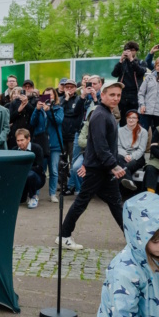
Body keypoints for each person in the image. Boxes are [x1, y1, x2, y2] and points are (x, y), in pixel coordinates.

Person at [59, 81, 127, 250]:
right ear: (102, 95)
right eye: (112, 95)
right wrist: (114, 166)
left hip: (102, 168)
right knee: (82, 201)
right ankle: (64, 236)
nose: (116, 98)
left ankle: (131, 236)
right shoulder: (100, 115)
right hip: (98, 169)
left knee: (115, 203)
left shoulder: (107, 114)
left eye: (118, 95)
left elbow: (94, 145)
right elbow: (99, 145)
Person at [30, 87, 65, 202]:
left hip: (54, 144)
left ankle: (52, 194)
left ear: (55, 96)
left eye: (51, 95)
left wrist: (49, 111)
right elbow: (32, 123)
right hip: (41, 145)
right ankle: (36, 193)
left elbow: (58, 121)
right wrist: (37, 109)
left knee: (54, 170)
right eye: (46, 95)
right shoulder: (39, 109)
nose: (49, 97)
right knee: (41, 169)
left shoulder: (59, 109)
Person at [112, 41, 146, 119]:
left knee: (134, 116)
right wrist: (120, 60)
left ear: (136, 51)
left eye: (132, 50)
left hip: (135, 93)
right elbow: (114, 74)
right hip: (123, 93)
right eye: (127, 50)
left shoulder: (141, 62)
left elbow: (140, 72)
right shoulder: (122, 63)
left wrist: (131, 59)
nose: (129, 52)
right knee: (123, 117)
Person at [117, 109, 149, 190]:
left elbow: (141, 149)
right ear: (126, 118)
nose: (131, 120)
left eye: (134, 118)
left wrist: (131, 157)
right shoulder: (120, 130)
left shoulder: (143, 132)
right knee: (117, 157)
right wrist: (126, 155)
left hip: (137, 157)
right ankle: (130, 182)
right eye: (129, 117)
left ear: (138, 119)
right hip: (123, 156)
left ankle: (120, 187)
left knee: (125, 167)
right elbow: (118, 146)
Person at [14, 128, 45, 208]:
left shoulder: (37, 149)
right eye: (18, 141)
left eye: (22, 140)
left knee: (30, 175)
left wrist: (23, 169)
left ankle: (33, 197)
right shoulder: (14, 150)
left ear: (28, 139)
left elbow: (40, 167)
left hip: (36, 178)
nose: (20, 143)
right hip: (20, 178)